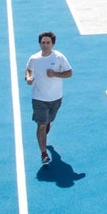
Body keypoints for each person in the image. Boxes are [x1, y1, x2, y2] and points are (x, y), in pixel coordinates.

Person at [25, 31, 72, 165]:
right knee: (41, 125)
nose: (45, 45)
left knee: (49, 120)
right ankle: (44, 153)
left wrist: (55, 74)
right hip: (39, 98)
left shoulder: (59, 57)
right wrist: (28, 77)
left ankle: (48, 123)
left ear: (53, 44)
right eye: (43, 43)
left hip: (56, 98)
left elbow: (69, 73)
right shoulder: (34, 58)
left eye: (48, 43)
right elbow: (29, 69)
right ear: (40, 43)